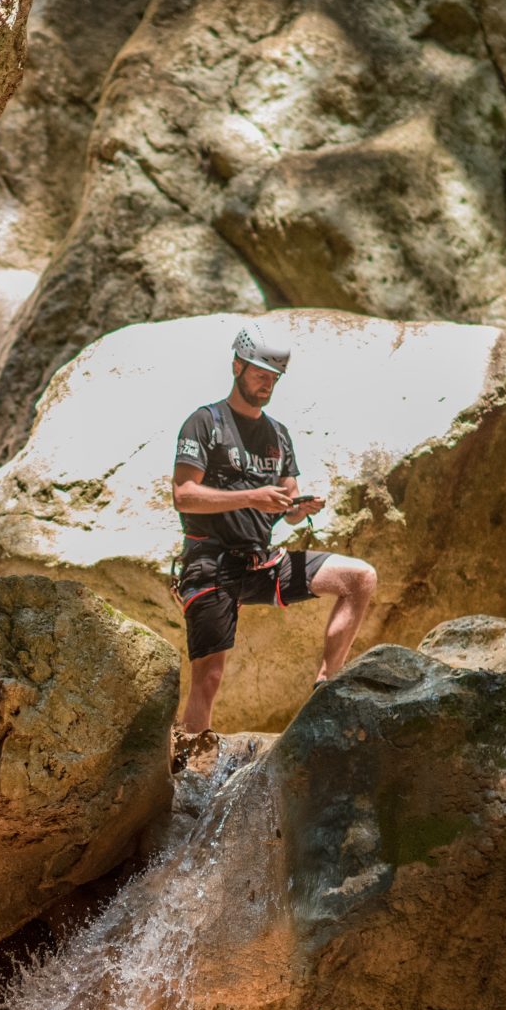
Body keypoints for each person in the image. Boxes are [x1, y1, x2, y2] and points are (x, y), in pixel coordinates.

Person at [168, 323, 377, 766]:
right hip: (210, 562)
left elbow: (285, 498)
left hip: (264, 561)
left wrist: (298, 507)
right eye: (261, 372)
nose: (268, 383)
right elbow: (184, 494)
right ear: (238, 365)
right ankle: (185, 770)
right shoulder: (206, 422)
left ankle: (326, 686)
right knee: (210, 673)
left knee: (360, 578)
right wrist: (252, 497)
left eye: (274, 377)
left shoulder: (278, 435)